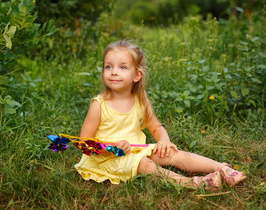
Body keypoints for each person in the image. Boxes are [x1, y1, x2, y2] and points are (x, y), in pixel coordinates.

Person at [74, 40, 246, 190]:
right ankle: (193, 184)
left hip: (135, 150)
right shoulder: (99, 105)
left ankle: (222, 168)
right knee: (145, 165)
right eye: (108, 66)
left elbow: (155, 126)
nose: (114, 72)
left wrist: (164, 140)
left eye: (123, 67)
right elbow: (85, 143)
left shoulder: (140, 101)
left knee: (171, 153)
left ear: (137, 75)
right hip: (107, 159)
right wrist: (112, 148)